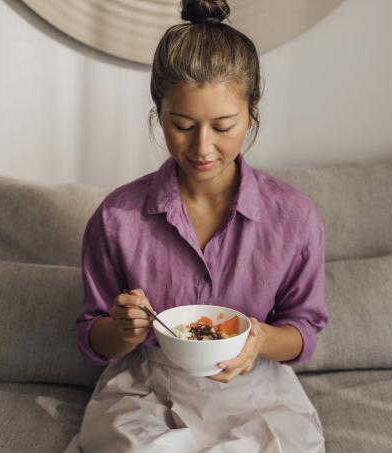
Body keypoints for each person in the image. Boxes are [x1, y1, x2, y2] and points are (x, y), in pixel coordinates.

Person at [64, 1, 328, 451]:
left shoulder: (294, 217)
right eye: (182, 125)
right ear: (158, 112)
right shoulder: (117, 217)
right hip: (148, 387)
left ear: (252, 111)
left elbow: (303, 332)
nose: (202, 148)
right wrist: (121, 328)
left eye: (223, 126)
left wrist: (259, 338)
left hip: (257, 391)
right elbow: (94, 336)